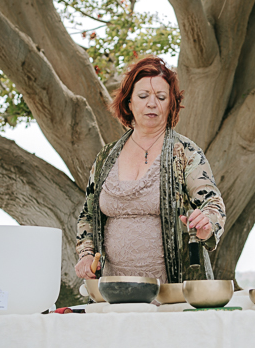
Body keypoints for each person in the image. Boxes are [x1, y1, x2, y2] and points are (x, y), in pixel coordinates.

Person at [74, 56, 225, 285]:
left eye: (161, 97)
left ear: (171, 104)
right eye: (143, 96)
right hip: (112, 292)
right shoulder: (105, 158)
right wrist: (86, 254)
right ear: (129, 103)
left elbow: (212, 203)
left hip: (173, 292)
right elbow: (88, 215)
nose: (152, 103)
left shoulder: (184, 152)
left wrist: (207, 223)